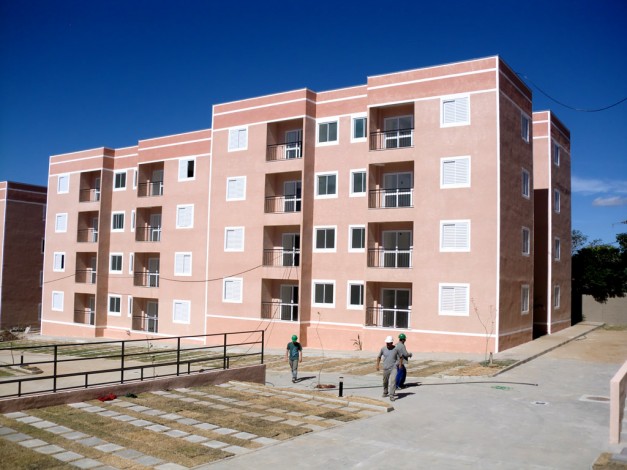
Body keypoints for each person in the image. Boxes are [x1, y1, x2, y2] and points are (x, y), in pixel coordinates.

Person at [376, 335, 402, 401]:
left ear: (392, 343)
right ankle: (385, 392)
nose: (387, 344)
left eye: (389, 343)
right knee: (385, 381)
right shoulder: (383, 349)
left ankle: (391, 395)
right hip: (386, 368)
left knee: (393, 381)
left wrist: (400, 364)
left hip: (394, 368)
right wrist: (377, 365)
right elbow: (379, 357)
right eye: (387, 343)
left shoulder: (396, 349)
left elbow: (401, 357)